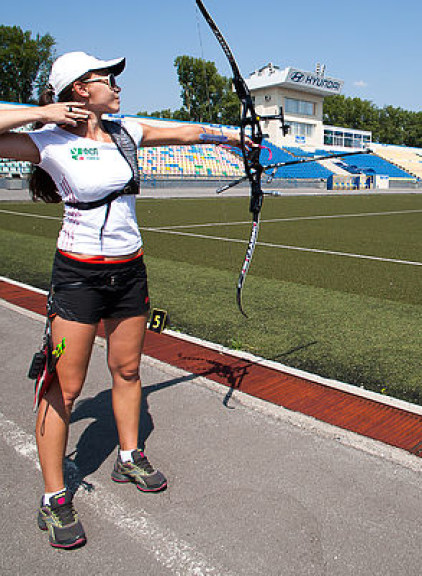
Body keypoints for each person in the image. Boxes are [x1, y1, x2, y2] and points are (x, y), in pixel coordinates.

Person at [0, 51, 245, 549]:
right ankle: (53, 499)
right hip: (78, 278)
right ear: (78, 90)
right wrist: (43, 113)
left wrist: (237, 136)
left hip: (129, 272)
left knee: (128, 370)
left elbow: (187, 134)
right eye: (105, 79)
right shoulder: (47, 140)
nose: (116, 85)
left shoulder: (126, 130)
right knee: (64, 389)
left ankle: (128, 456)